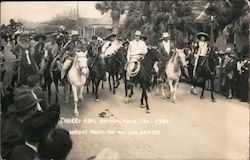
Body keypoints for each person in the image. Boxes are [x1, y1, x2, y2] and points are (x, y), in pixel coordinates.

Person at [1, 88, 42, 159]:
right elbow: (7, 155)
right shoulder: (16, 133)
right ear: (31, 112)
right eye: (35, 109)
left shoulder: (14, 120)